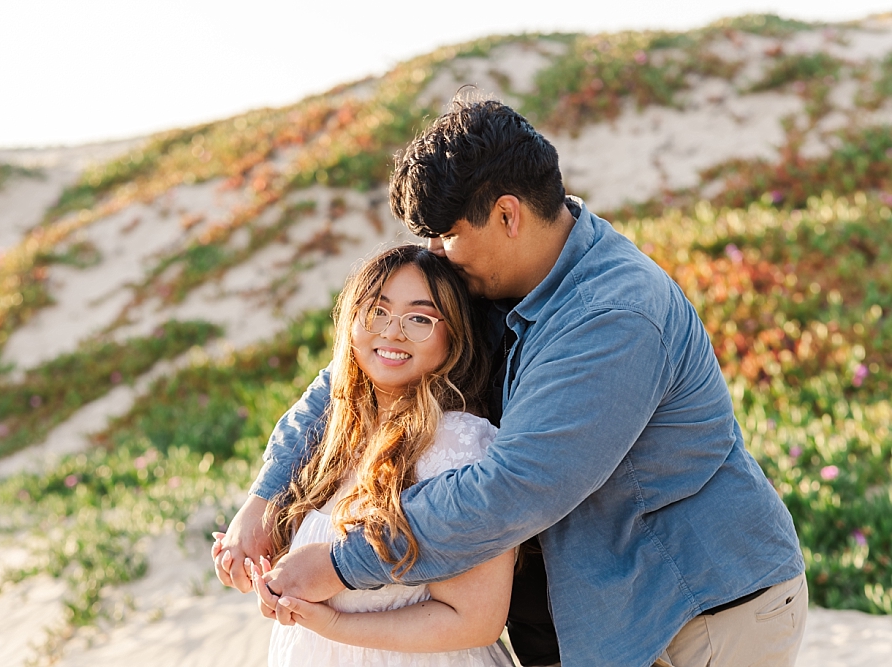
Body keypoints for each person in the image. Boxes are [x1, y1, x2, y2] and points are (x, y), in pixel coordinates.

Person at [216, 98, 808, 667]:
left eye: (446, 233)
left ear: (506, 215)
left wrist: (345, 563)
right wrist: (262, 502)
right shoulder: (497, 275)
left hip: (699, 610)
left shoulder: (612, 316)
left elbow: (512, 489)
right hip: (590, 618)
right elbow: (344, 381)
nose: (436, 253)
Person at [213, 244, 517, 666]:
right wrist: (267, 581)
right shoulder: (333, 437)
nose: (393, 331)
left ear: (453, 337)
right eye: (377, 310)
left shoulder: (458, 444)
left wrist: (332, 625)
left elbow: (476, 619)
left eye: (419, 318)